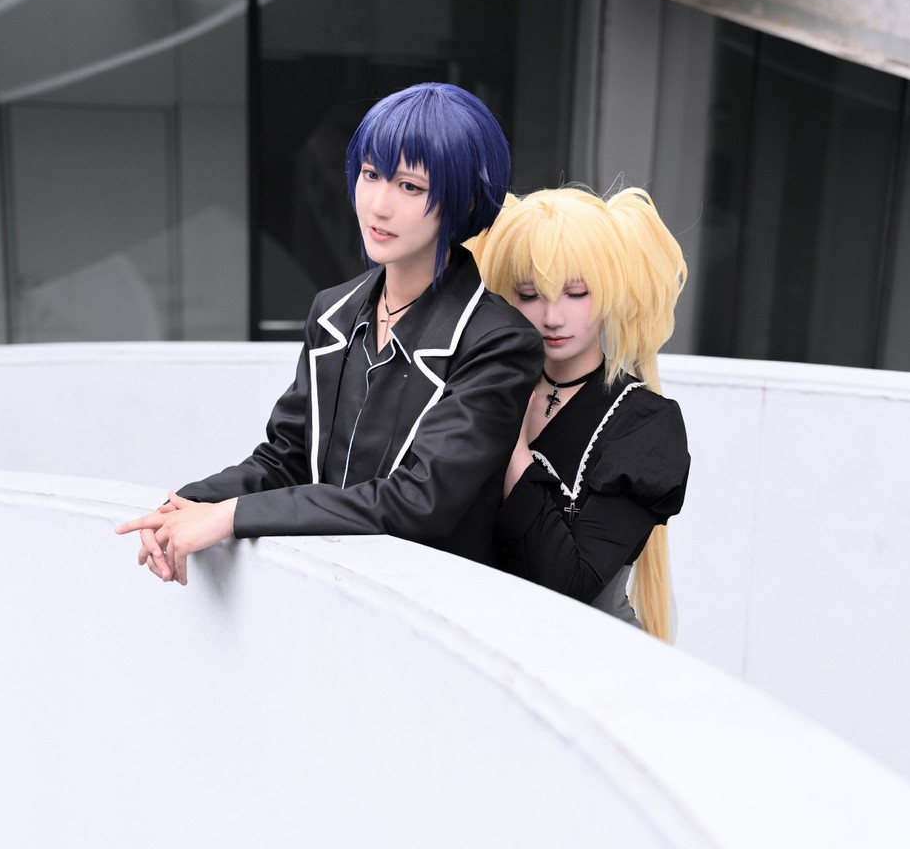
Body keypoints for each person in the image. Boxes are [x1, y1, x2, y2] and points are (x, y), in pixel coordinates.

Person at [116, 83, 543, 583]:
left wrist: (232, 516)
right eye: (371, 175)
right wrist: (186, 505)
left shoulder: (498, 342)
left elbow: (418, 501)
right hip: (325, 591)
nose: (378, 205)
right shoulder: (333, 313)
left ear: (464, 199)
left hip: (430, 602)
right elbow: (286, 459)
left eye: (410, 187)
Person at [469, 185, 689, 640]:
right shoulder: (478, 390)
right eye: (529, 294)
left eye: (576, 293)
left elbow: (569, 584)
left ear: (611, 291)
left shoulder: (644, 423)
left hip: (591, 660)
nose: (552, 316)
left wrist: (514, 450)